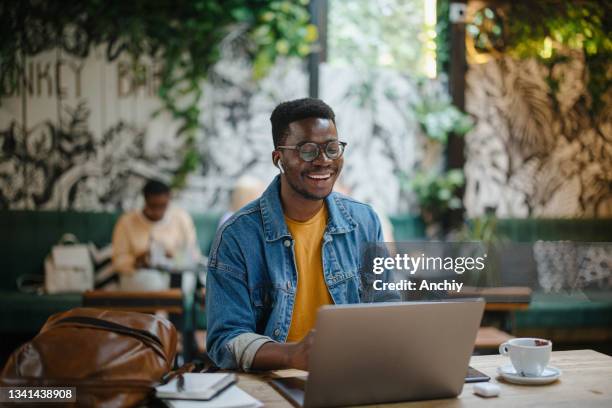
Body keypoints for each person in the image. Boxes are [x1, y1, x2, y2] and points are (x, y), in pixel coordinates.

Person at [206, 98, 398, 371]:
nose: (323, 161)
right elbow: (225, 339)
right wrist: (291, 355)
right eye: (307, 150)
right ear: (279, 159)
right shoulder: (237, 236)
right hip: (273, 381)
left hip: (352, 372)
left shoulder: (365, 221)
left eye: (332, 149)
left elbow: (386, 307)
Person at [112, 179, 201, 291]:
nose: (158, 211)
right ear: (145, 200)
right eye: (153, 206)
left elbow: (193, 254)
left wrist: (173, 256)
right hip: (141, 275)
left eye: (163, 206)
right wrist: (137, 260)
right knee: (151, 282)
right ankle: (165, 304)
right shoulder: (126, 222)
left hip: (174, 272)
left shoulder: (182, 218)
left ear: (169, 199)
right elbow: (118, 261)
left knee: (185, 279)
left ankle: (167, 304)